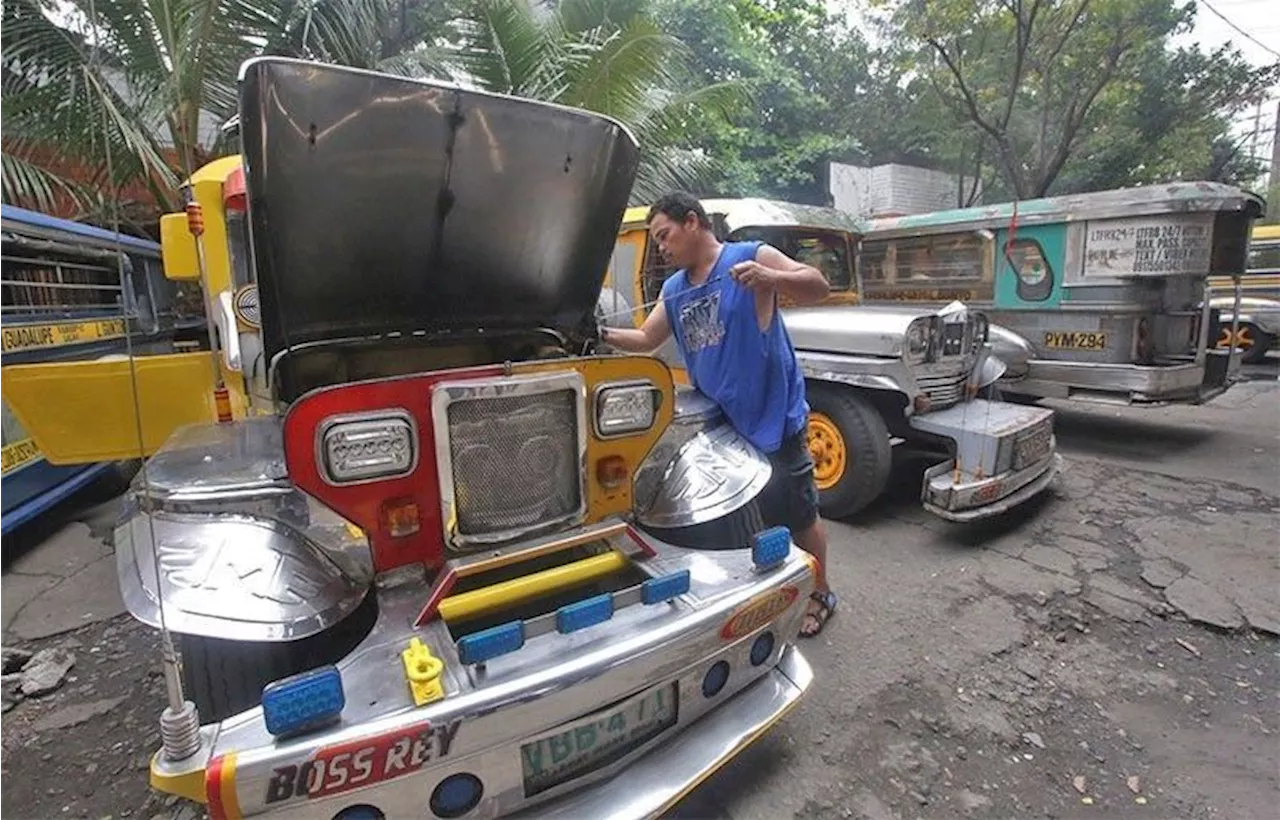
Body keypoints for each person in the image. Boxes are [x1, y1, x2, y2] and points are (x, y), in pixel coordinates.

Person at [600, 191, 838, 637]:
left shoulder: (748, 257)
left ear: (693, 222)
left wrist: (770, 277)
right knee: (754, 515)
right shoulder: (675, 290)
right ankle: (775, 588)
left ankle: (821, 593)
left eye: (665, 236)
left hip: (773, 418)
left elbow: (817, 285)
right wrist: (600, 332)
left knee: (800, 515)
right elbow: (647, 339)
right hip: (723, 426)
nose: (663, 249)